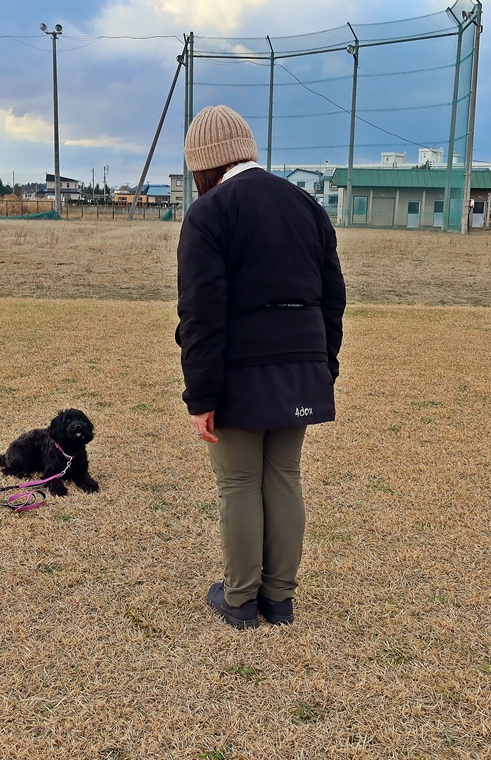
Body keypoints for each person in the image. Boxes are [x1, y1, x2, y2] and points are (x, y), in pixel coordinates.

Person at [176, 105, 346, 629]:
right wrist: (325, 366)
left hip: (240, 371)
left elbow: (201, 313)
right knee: (285, 475)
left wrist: (201, 395)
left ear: (203, 165)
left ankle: (240, 598)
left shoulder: (209, 212)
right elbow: (333, 298)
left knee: (239, 482)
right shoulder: (306, 205)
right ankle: (279, 598)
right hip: (302, 364)